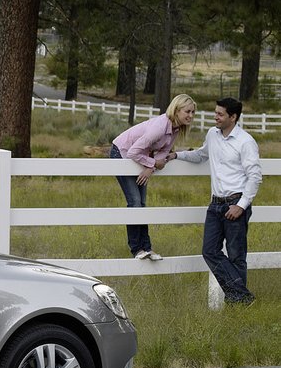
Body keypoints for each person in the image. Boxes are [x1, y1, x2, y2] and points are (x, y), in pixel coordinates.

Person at [172, 97, 262, 305]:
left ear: (233, 117)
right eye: (215, 113)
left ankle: (237, 303)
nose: (216, 117)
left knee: (236, 256)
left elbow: (255, 176)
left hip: (235, 202)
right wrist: (176, 155)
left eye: (220, 114)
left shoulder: (246, 142)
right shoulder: (213, 134)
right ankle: (242, 296)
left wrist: (241, 206)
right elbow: (202, 155)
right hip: (215, 204)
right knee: (209, 251)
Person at [110, 93, 198, 260]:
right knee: (135, 201)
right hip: (121, 152)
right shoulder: (159, 127)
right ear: (177, 110)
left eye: (193, 112)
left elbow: (164, 152)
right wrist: (152, 163)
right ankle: (137, 249)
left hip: (141, 158)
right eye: (187, 111)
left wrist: (150, 167)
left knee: (142, 203)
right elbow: (132, 151)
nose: (191, 116)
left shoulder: (175, 129)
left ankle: (147, 248)